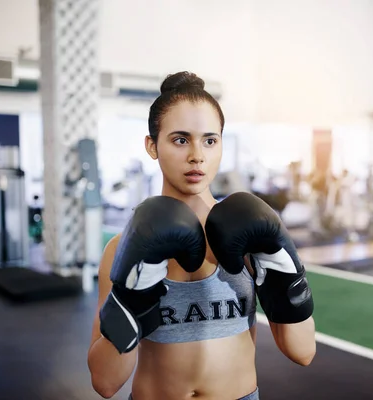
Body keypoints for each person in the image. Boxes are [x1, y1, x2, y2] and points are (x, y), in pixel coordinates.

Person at [87, 71, 317, 400]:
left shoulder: (251, 237)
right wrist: (130, 302)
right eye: (181, 139)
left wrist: (286, 267)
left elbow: (303, 351)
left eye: (210, 140)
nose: (197, 155)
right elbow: (105, 382)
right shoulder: (121, 249)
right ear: (152, 145)